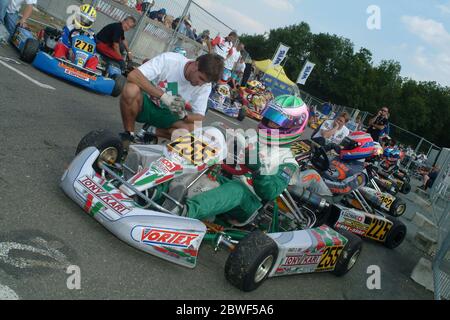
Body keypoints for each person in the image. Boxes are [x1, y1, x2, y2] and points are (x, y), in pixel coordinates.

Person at [184, 95, 309, 222]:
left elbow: (269, 193)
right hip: (226, 183)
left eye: (277, 121)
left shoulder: (288, 162)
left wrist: (257, 169)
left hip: (249, 202)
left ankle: (184, 212)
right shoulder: (251, 138)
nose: (270, 122)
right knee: (200, 166)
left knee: (236, 189)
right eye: (270, 116)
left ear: (292, 127)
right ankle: (165, 186)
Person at [119, 52, 224, 145]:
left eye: (205, 82)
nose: (200, 84)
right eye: (201, 78)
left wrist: (184, 116)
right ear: (196, 65)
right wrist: (163, 96)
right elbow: (133, 75)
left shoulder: (205, 86)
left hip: (168, 115)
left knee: (194, 129)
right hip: (146, 104)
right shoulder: (170, 60)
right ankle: (129, 134)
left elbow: (200, 116)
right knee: (130, 89)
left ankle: (152, 130)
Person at [53, 4, 98, 70]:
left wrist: (92, 55)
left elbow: (93, 51)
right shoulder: (69, 28)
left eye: (87, 21)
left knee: (95, 58)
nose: (83, 22)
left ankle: (89, 71)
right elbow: (63, 40)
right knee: (60, 46)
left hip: (84, 57)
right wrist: (70, 47)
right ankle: (60, 60)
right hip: (69, 53)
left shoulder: (91, 35)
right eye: (81, 18)